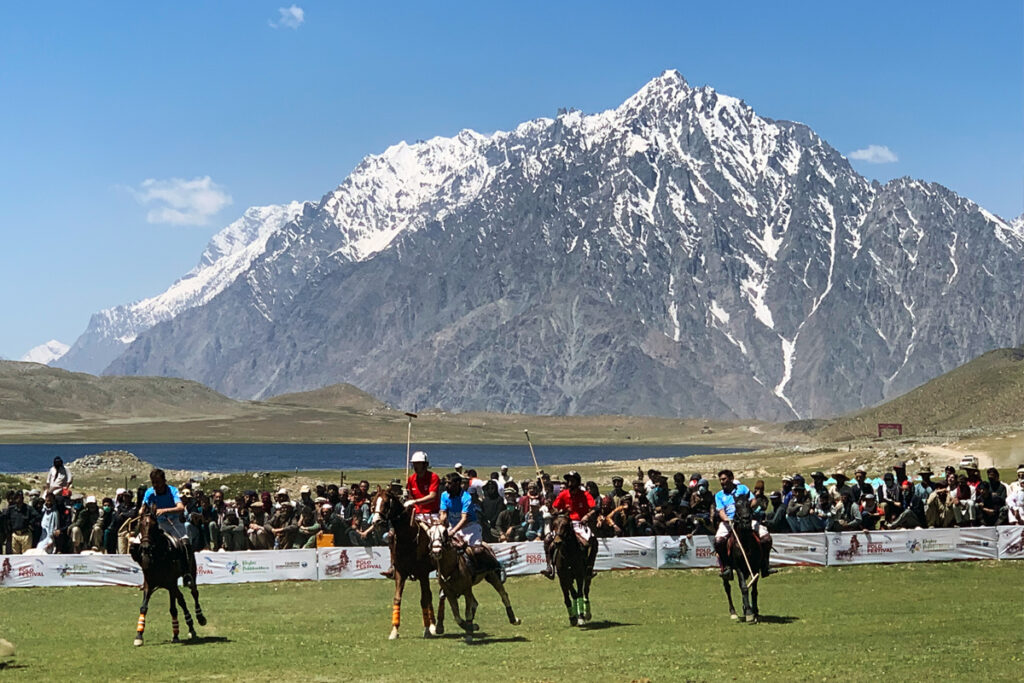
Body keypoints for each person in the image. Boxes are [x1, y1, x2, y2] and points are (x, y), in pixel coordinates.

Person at [712, 470, 771, 580]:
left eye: (724, 479)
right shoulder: (719, 495)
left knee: (766, 538)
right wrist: (727, 519)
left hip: (746, 519)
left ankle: (765, 565)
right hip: (729, 521)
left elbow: (753, 500)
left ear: (731, 478)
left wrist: (749, 508)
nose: (722, 482)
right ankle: (726, 567)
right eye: (720, 480)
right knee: (718, 541)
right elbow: (721, 511)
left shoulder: (742, 488)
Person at [540, 471, 595, 580]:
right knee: (548, 540)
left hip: (579, 523)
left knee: (593, 542)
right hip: (564, 523)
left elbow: (594, 508)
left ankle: (589, 568)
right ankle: (550, 567)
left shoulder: (585, 495)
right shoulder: (563, 494)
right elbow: (555, 509)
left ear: (577, 482)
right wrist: (550, 507)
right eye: (569, 481)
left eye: (572, 481)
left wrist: (587, 516)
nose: (570, 483)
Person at [405, 451, 441, 524]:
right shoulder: (411, 479)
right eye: (414, 463)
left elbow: (432, 496)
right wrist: (406, 496)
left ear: (425, 464)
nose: (415, 466)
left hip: (432, 514)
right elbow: (410, 497)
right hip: (416, 514)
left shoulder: (433, 477)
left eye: (418, 463)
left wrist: (415, 501)